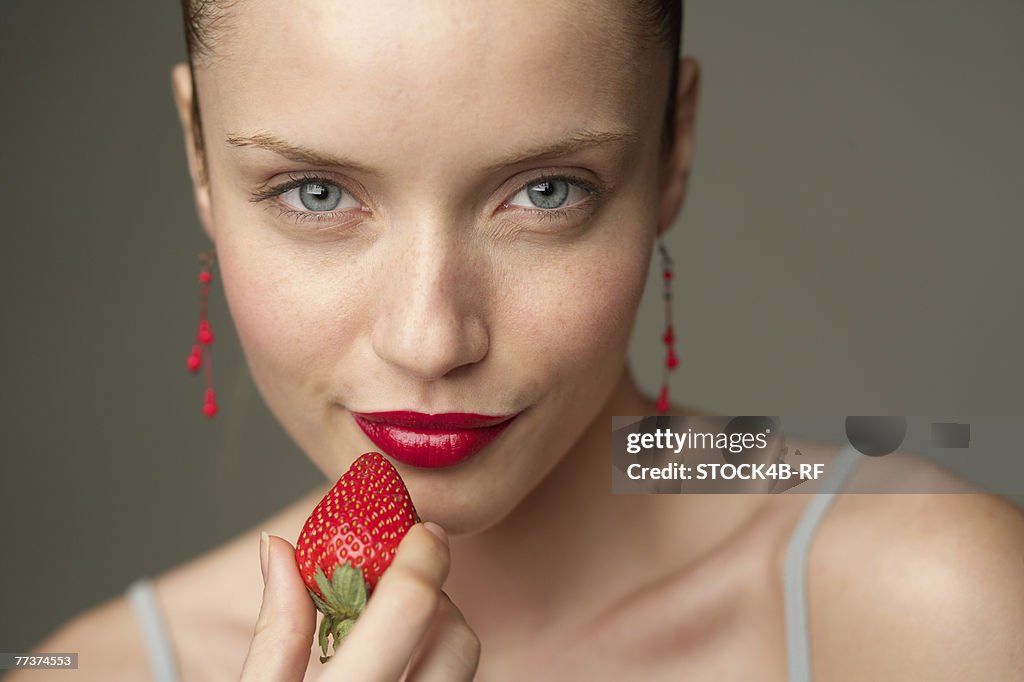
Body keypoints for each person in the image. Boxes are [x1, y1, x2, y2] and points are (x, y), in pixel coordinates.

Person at [20, 1, 1024, 680]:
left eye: (545, 191)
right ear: (199, 155)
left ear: (673, 145)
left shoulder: (944, 613)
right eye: (315, 193)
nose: (430, 339)